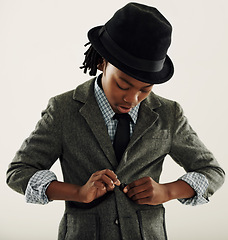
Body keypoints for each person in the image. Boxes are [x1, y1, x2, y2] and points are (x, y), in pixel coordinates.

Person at [6, 2, 225, 240]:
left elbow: (212, 171)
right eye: (123, 84)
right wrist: (78, 192)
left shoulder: (169, 114)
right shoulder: (62, 109)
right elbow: (19, 172)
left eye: (145, 89)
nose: (132, 99)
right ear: (102, 63)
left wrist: (168, 191)